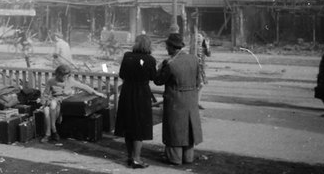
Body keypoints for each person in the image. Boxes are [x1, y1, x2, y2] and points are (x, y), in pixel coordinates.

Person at [154, 33, 203, 165]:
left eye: (167, 46)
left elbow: (158, 81)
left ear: (172, 47)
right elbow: (199, 81)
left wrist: (161, 67)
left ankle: (174, 158)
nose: (166, 49)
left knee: (174, 129)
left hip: (175, 100)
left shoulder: (170, 64)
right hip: (191, 99)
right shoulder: (194, 59)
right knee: (188, 128)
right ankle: (188, 157)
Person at [114, 34, 157, 169]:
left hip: (127, 92)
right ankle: (137, 159)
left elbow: (122, 75)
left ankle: (129, 156)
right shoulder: (150, 59)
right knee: (139, 126)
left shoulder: (127, 56)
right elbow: (154, 78)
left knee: (128, 124)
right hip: (142, 94)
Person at [39, 64, 106, 143]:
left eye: (66, 76)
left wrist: (96, 93)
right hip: (54, 100)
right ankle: (52, 132)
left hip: (66, 101)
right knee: (46, 110)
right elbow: (45, 94)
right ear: (57, 74)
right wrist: (44, 102)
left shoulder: (70, 80)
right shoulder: (51, 81)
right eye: (63, 76)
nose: (65, 78)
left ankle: (50, 133)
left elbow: (84, 87)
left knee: (51, 106)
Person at [195, 31, 211, 110]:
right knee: (199, 84)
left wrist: (207, 45)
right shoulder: (193, 47)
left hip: (201, 68)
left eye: (199, 36)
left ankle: (197, 102)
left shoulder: (204, 48)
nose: (198, 38)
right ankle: (195, 103)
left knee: (201, 85)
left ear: (203, 38)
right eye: (197, 36)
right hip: (195, 68)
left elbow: (209, 54)